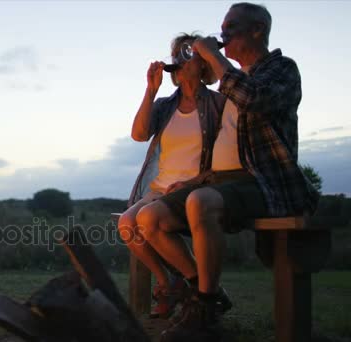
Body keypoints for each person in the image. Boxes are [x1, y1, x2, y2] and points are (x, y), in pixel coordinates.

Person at [134, 3, 319, 341]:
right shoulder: (229, 83)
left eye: (230, 27)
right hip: (217, 182)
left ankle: (203, 310)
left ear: (257, 30)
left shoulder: (280, 69)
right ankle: (205, 295)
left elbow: (254, 100)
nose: (222, 36)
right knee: (148, 218)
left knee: (201, 202)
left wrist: (212, 59)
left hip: (261, 181)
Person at [119, 33, 226, 319]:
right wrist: (150, 91)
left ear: (204, 65)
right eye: (176, 55)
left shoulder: (218, 104)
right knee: (127, 224)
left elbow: (227, 156)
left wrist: (196, 182)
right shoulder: (166, 104)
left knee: (145, 219)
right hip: (160, 188)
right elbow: (139, 134)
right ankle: (172, 282)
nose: (178, 61)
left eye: (187, 54)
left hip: (197, 189)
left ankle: (203, 290)